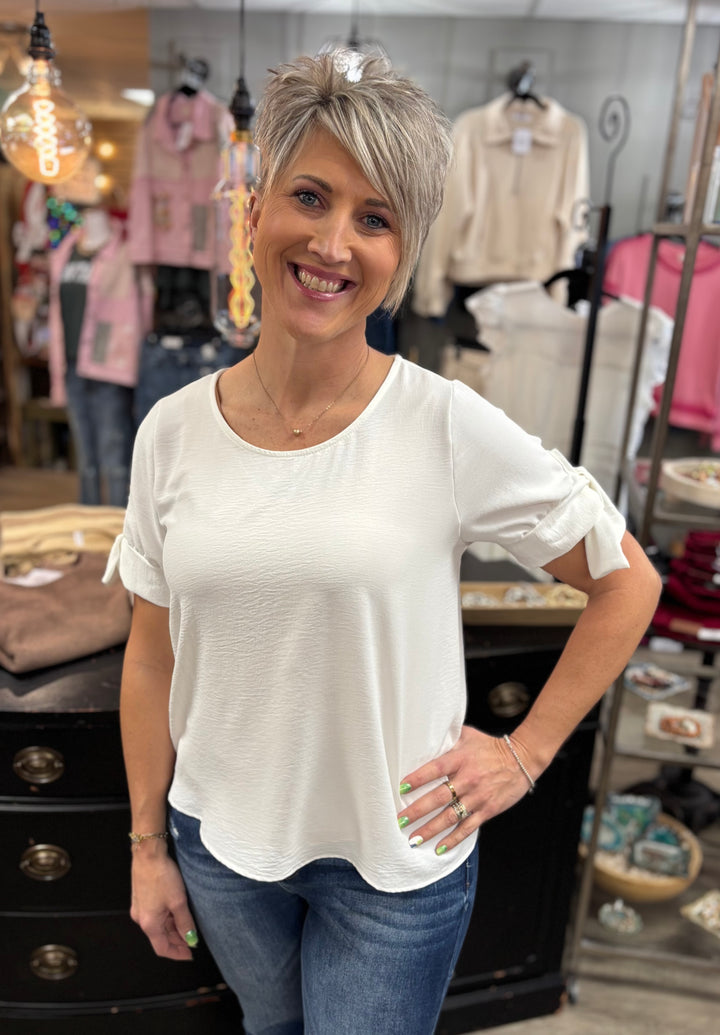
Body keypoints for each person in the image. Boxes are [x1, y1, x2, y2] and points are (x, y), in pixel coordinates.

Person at [104, 51, 661, 1035]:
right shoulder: (171, 432)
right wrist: (149, 843)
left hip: (394, 869)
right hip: (221, 847)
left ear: (401, 255)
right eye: (309, 197)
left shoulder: (444, 424)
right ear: (253, 211)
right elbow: (152, 655)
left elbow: (629, 582)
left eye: (375, 218)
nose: (333, 243)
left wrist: (526, 753)